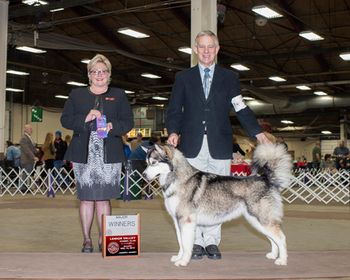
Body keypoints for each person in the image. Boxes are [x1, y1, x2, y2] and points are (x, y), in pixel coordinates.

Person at [166, 30, 270, 261]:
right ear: (195, 49)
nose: (206, 51)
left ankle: (211, 242)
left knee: (219, 197)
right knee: (191, 198)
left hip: (220, 145)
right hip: (191, 145)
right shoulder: (183, 77)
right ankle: (193, 244)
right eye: (201, 46)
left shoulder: (230, 77)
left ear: (217, 48)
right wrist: (173, 131)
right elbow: (174, 109)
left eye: (210, 46)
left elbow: (240, 107)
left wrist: (257, 132)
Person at [61, 53, 134, 253]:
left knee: (103, 199)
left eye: (103, 71)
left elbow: (128, 122)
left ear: (109, 74)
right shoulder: (76, 94)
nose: (99, 74)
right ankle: (87, 239)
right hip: (83, 153)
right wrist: (85, 118)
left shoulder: (119, 95)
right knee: (85, 198)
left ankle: (105, 238)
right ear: (89, 74)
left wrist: (113, 125)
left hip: (109, 154)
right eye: (95, 71)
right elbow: (65, 120)